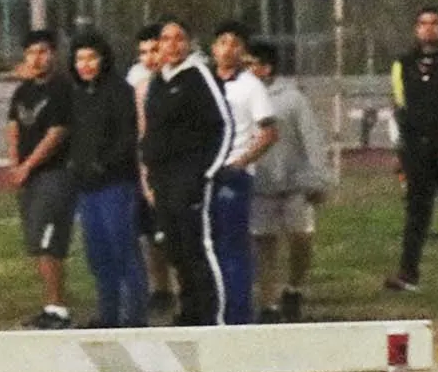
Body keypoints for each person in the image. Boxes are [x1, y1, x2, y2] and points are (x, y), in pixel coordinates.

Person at [140, 18, 230, 326]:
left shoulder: (198, 77)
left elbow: (223, 126)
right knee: (175, 249)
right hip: (163, 181)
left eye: (179, 38)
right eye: (166, 39)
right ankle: (188, 313)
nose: (172, 45)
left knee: (197, 248)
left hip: (190, 179)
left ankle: (211, 318)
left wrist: (206, 173)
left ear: (189, 43)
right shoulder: (158, 81)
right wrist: (150, 170)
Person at [67, 29, 148, 327]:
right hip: (87, 189)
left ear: (103, 59)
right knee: (98, 256)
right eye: (80, 58)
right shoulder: (76, 94)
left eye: (91, 57)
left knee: (123, 251)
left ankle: (136, 319)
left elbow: (128, 137)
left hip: (116, 185)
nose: (85, 64)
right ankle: (109, 315)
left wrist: (104, 164)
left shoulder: (119, 91)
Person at [245, 40, 330, 322]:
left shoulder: (291, 99)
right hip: (259, 184)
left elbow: (311, 139)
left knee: (300, 238)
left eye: (251, 64)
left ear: (266, 68)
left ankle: (294, 288)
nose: (245, 70)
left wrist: (317, 179)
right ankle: (268, 303)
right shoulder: (240, 95)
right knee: (264, 244)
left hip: (294, 182)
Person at [385, 6, 438, 292]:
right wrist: (402, 148)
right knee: (417, 211)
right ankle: (408, 274)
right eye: (423, 23)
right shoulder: (403, 64)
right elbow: (398, 104)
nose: (429, 28)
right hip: (417, 148)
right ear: (415, 29)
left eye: (435, 23)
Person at [209, 21, 278, 324]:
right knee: (207, 247)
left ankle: (238, 314)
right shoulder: (204, 82)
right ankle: (213, 309)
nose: (228, 49)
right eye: (223, 42)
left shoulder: (250, 86)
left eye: (235, 43)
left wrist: (241, 161)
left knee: (232, 246)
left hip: (233, 174)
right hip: (205, 173)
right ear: (213, 48)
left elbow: (268, 132)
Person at [6, 28, 75, 329]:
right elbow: (13, 126)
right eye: (32, 52)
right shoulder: (23, 91)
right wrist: (13, 163)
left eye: (44, 52)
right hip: (28, 178)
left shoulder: (62, 89)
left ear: (54, 55)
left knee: (50, 244)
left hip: (54, 175)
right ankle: (49, 305)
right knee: (36, 242)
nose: (37, 58)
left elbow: (57, 133)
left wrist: (28, 165)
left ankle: (58, 308)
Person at [128, 22, 175, 314]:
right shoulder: (137, 82)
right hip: (149, 166)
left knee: (178, 234)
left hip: (178, 168)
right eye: (143, 52)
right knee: (151, 233)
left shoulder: (185, 78)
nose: (149, 57)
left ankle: (185, 287)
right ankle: (161, 288)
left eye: (154, 50)